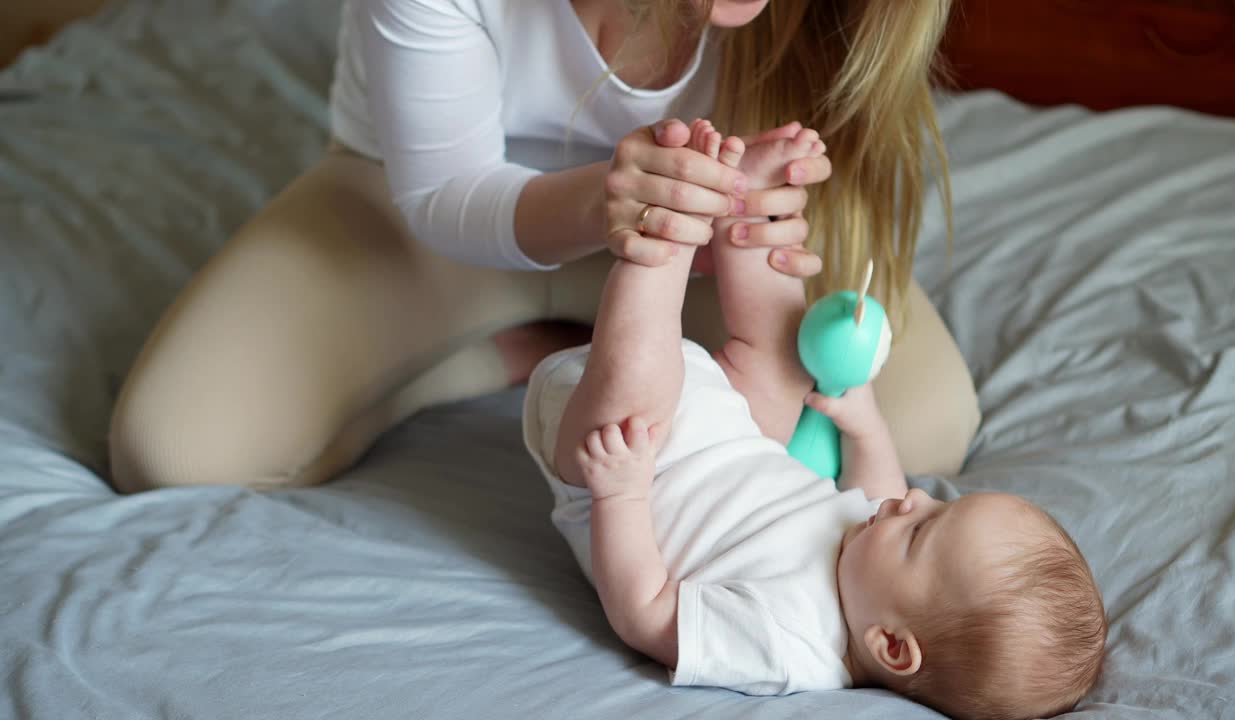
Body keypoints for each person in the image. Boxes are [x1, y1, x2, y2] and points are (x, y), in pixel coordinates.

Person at [108, 0, 980, 493]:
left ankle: (582, 346)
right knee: (175, 455)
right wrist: (613, 200)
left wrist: (758, 216)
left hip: (689, 243)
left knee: (921, 425)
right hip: (420, 213)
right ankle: (515, 355)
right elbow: (445, 192)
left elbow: (794, 185)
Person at [522, 120, 1107, 720]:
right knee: (784, 372)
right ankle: (747, 214)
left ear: (893, 646)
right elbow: (877, 483)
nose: (912, 502)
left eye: (920, 531)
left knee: (639, 394)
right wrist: (865, 425)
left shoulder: (788, 643)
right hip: (727, 419)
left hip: (626, 454)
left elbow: (646, 614)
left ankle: (672, 228)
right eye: (941, 505)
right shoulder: (873, 552)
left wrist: (620, 495)